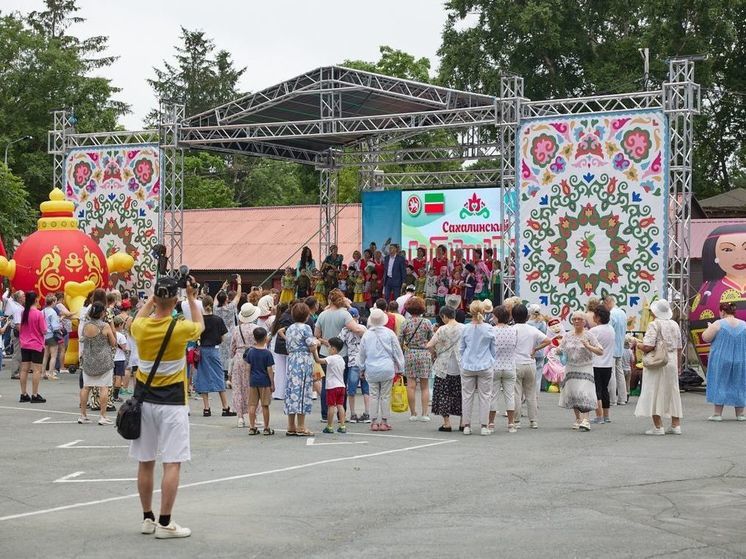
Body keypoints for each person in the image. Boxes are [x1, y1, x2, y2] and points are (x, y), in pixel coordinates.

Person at [130, 275, 204, 538]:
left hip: (144, 400)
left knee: (145, 460)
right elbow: (200, 325)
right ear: (175, 300)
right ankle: (165, 522)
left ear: (156, 298)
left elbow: (138, 317)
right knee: (172, 461)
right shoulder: (181, 328)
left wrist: (152, 299)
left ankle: (147, 518)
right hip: (172, 402)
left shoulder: (140, 328)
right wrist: (192, 298)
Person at [635, 299, 684, 435]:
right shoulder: (675, 325)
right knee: (672, 391)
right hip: (672, 360)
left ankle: (658, 426)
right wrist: (679, 365)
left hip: (658, 361)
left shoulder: (654, 324)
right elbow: (679, 347)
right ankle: (676, 424)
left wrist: (636, 344)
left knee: (654, 390)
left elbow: (648, 346)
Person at [314, 289, 364, 422]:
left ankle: (325, 414)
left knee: (326, 383)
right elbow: (357, 329)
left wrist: (327, 342)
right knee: (342, 384)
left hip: (325, 352)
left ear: (329, 300)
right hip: (342, 353)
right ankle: (341, 414)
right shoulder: (345, 314)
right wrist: (349, 306)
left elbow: (317, 335)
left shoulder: (322, 315)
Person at [358, 308, 404, 431]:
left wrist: (361, 368)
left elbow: (362, 354)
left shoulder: (366, 335)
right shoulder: (390, 333)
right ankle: (384, 422)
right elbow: (397, 352)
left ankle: (373, 422)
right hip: (387, 368)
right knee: (385, 395)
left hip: (371, 368)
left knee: (373, 395)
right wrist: (400, 368)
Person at [558, 310, 604, 431]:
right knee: (574, 394)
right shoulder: (568, 335)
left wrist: (589, 346)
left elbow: (600, 351)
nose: (577, 321)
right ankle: (578, 419)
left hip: (585, 367)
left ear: (584, 322)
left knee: (584, 393)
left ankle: (586, 420)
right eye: (574, 319)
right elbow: (560, 348)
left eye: (579, 319)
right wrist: (556, 351)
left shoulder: (589, 335)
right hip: (571, 367)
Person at [702, 302, 746, 421]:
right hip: (740, 359)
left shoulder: (718, 324)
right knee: (740, 382)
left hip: (721, 358)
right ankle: (740, 414)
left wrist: (709, 327)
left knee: (719, 382)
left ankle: (717, 414)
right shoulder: (744, 325)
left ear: (722, 311)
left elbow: (706, 337)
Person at [459, 300, 496, 435]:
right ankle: (484, 426)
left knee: (467, 396)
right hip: (485, 365)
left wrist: (463, 360)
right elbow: (493, 349)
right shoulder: (489, 328)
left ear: (470, 312)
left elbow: (461, 349)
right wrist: (491, 360)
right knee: (485, 396)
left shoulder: (465, 328)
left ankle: (467, 425)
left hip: (468, 364)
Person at [195, 295, 236, 417]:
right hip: (213, 349)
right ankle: (225, 407)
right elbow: (223, 337)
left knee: (203, 376)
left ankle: (206, 408)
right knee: (218, 375)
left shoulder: (199, 320)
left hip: (201, 350)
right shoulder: (217, 320)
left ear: (203, 306)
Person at [512, 304, 551, 429]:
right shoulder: (532, 329)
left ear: (513, 316)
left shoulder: (512, 329)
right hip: (530, 363)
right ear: (527, 316)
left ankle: (516, 421)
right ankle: (533, 420)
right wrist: (535, 349)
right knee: (531, 393)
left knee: (517, 393)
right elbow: (548, 340)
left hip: (516, 363)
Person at [77, 302, 117, 424]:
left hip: (88, 359)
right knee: (103, 387)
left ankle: (83, 415)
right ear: (101, 313)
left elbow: (83, 339)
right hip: (104, 360)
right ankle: (102, 416)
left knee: (86, 387)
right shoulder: (105, 326)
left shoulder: (86, 325)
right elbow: (113, 342)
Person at [427, 306, 463, 432]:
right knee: (461, 394)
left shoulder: (442, 329)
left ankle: (447, 423)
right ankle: (463, 422)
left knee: (443, 394)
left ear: (444, 316)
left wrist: (435, 353)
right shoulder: (464, 328)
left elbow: (430, 344)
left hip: (444, 365)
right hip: (460, 365)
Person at [283, 302, 316, 436]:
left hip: (292, 360)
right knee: (302, 391)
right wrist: (317, 342)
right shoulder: (306, 328)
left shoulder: (289, 328)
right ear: (306, 315)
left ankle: (291, 425)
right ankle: (301, 426)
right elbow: (311, 345)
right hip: (303, 360)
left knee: (292, 390)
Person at [400, 296, 433, 421]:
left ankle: (413, 413)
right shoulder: (427, 322)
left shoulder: (405, 322)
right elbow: (432, 340)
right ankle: (425, 414)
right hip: (424, 354)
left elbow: (400, 341)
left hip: (410, 354)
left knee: (411, 385)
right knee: (425, 385)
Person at [230, 302, 261, 427]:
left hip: (239, 358)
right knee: (252, 387)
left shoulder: (236, 330)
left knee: (238, 387)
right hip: (253, 357)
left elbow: (232, 348)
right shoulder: (256, 329)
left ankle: (240, 418)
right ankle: (254, 416)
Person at [489, 305, 518, 433]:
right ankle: (511, 423)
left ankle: (490, 423)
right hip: (509, 365)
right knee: (510, 395)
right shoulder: (513, 330)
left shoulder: (491, 330)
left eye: (494, 316)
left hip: (494, 366)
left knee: (492, 396)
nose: (492, 317)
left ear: (497, 317)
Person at [340, 307, 370, 423]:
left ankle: (353, 414)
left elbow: (339, 342)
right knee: (366, 388)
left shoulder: (345, 330)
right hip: (365, 361)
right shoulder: (363, 328)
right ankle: (367, 413)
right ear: (357, 317)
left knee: (351, 390)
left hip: (352, 361)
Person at [244, 327, 275, 435]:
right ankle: (266, 428)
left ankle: (252, 427)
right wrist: (272, 383)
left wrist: (249, 380)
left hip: (253, 381)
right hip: (265, 382)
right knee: (265, 405)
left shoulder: (250, 352)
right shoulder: (267, 353)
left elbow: (247, 367)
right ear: (266, 338)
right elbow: (269, 370)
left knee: (252, 405)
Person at [313, 337, 347, 433]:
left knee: (331, 406)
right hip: (341, 385)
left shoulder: (331, 358)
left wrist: (314, 351)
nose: (328, 349)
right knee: (340, 405)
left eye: (329, 347)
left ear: (333, 349)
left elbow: (318, 360)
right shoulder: (341, 359)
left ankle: (330, 426)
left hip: (332, 386)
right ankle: (342, 425)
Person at [18, 291, 47, 403]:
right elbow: (44, 330)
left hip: (24, 343)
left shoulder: (23, 313)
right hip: (36, 344)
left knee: (24, 369)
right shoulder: (38, 314)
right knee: (36, 370)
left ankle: (23, 393)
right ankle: (34, 394)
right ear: (35, 300)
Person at [590, 305, 615, 424]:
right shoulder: (611, 329)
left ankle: (598, 416)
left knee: (596, 390)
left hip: (596, 364)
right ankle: (606, 416)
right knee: (605, 390)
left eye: (594, 315)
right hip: (608, 364)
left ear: (598, 317)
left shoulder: (594, 331)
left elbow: (587, 343)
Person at [214, 279, 242, 381]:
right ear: (226, 299)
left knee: (221, 353)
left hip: (220, 334)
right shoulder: (231, 307)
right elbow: (238, 295)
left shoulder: (215, 309)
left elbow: (215, 299)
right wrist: (239, 283)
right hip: (231, 332)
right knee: (231, 353)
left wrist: (222, 288)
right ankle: (230, 375)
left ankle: (222, 374)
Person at [605, 295, 628, 405]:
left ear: (608, 302)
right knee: (620, 372)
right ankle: (622, 398)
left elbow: (608, 331)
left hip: (611, 348)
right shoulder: (623, 313)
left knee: (612, 373)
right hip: (620, 346)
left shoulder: (611, 314)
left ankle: (612, 399)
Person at [527, 304, 547, 392]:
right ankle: (536, 396)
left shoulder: (528, 323)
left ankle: (526, 395)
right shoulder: (543, 323)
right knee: (538, 376)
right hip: (541, 350)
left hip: (530, 351)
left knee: (529, 376)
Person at [5, 290, 24, 379]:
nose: (24, 297)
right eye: (23, 296)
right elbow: (18, 324)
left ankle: (18, 371)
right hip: (18, 332)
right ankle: (15, 372)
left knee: (19, 352)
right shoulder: (18, 309)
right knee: (17, 353)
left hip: (18, 331)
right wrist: (23, 334)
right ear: (19, 298)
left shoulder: (18, 306)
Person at [41, 294, 61, 380]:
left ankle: (43, 373)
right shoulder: (53, 312)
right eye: (55, 301)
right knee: (53, 355)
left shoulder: (43, 311)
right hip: (52, 335)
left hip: (44, 335)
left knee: (45, 355)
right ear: (53, 302)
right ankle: (51, 373)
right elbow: (55, 326)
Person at [112, 316, 129, 402]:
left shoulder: (110, 333)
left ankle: (110, 394)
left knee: (112, 376)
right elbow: (124, 348)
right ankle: (115, 396)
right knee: (119, 377)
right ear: (119, 325)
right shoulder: (121, 336)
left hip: (111, 358)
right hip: (119, 358)